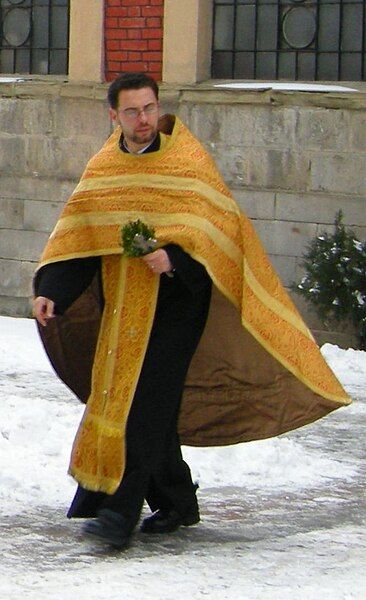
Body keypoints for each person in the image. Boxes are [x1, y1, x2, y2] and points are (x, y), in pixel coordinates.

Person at [33, 72, 351, 551]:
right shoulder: (104, 168)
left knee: (145, 401)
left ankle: (118, 513)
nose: (144, 119)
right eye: (133, 111)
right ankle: (178, 501)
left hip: (179, 305)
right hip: (124, 307)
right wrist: (52, 289)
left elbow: (220, 235)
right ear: (113, 116)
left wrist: (174, 259)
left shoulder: (188, 161)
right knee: (127, 398)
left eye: (150, 108)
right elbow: (82, 236)